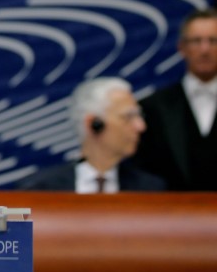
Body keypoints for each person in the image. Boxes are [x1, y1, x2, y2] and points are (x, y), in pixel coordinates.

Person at [19, 77, 165, 192]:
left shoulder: (149, 189)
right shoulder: (39, 188)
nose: (140, 126)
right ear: (94, 124)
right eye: (128, 117)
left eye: (139, 116)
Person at [134, 7, 217, 191]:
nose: (205, 49)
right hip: (168, 214)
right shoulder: (152, 107)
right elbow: (141, 173)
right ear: (182, 48)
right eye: (196, 41)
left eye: (213, 41)